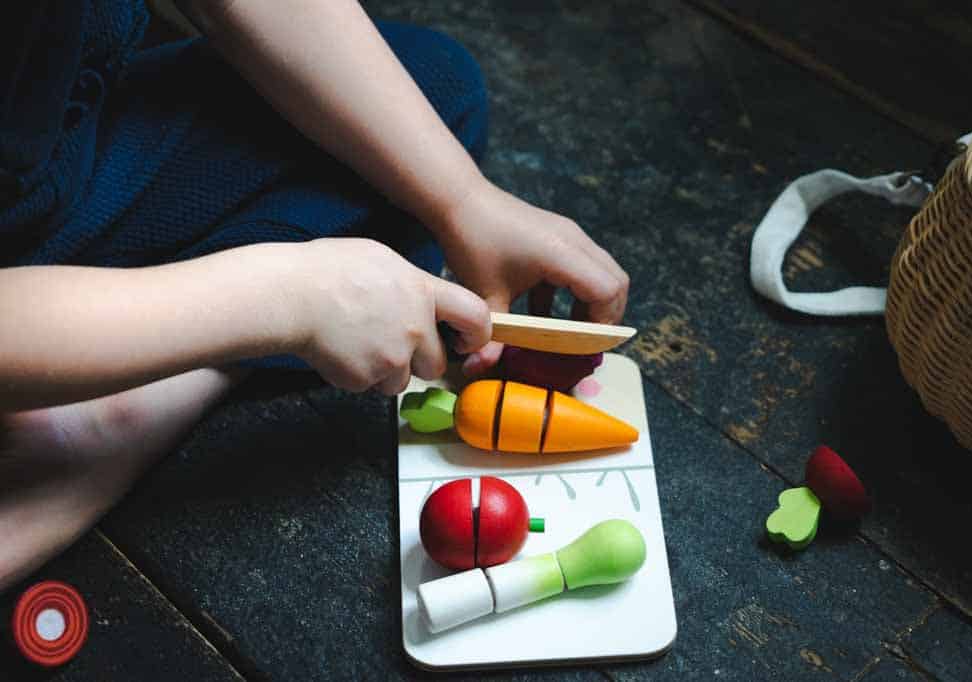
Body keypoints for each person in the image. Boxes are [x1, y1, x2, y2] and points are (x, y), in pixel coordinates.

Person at [0, 0, 628, 592]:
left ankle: (131, 400)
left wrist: (464, 199)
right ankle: (92, 415)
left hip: (58, 156)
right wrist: (287, 300)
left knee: (435, 94)